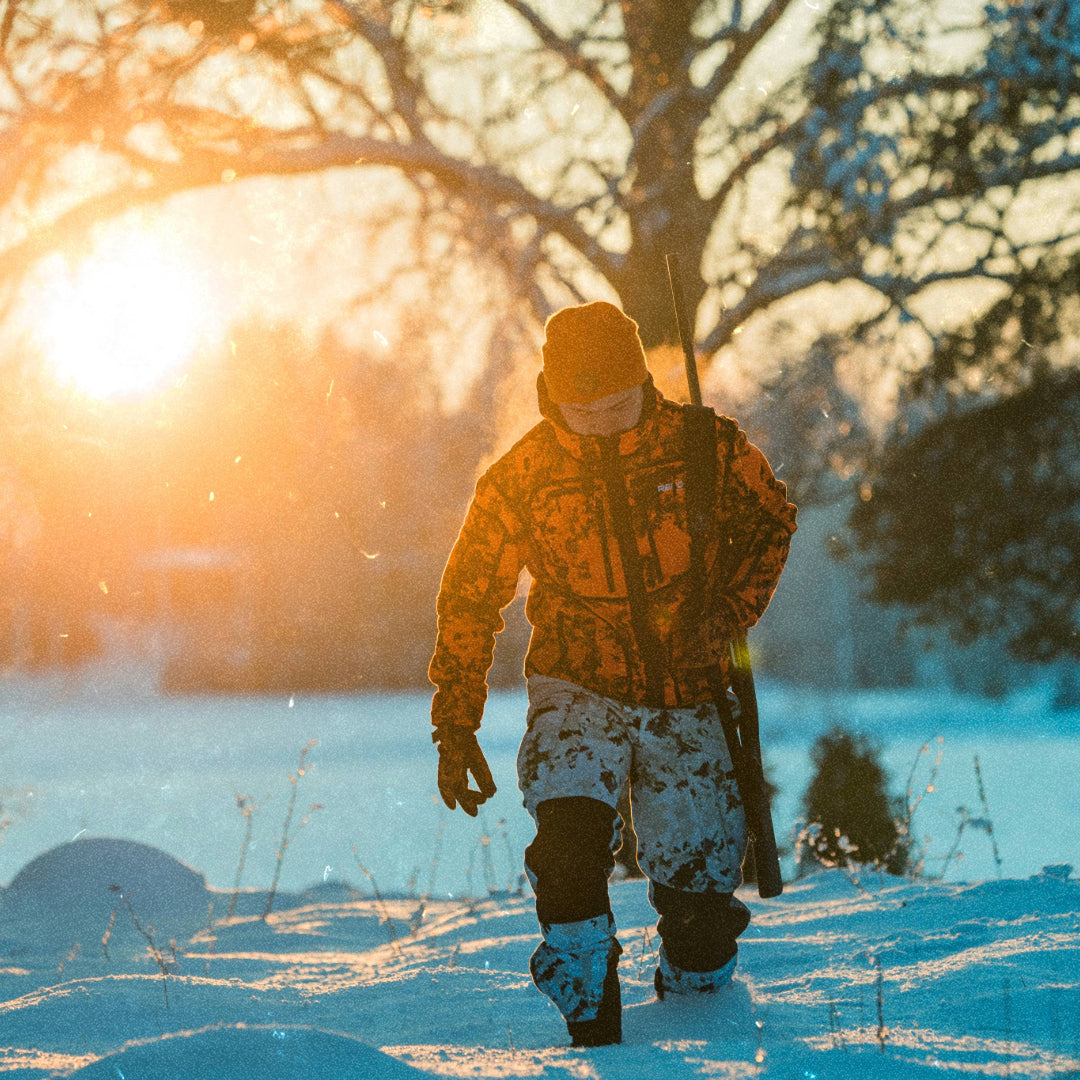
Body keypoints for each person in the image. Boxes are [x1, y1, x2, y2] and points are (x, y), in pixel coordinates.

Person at [428, 300, 797, 1046]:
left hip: (689, 689)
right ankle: (585, 1000)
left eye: (617, 404)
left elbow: (770, 523)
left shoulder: (706, 448)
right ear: (550, 394)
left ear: (643, 385)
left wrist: (729, 612)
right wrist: (455, 720)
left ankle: (698, 1005)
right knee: (566, 845)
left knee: (699, 904)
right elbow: (470, 596)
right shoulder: (521, 476)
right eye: (580, 408)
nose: (599, 420)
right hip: (576, 684)